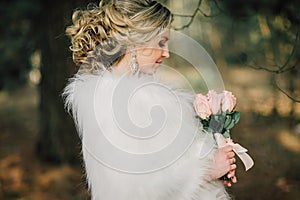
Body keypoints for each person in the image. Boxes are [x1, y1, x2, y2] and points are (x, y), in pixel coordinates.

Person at [63, 0, 237, 199]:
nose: (167, 53)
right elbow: (134, 189)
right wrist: (207, 170)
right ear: (136, 43)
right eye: (161, 42)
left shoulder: (147, 94)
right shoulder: (112, 101)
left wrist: (215, 158)